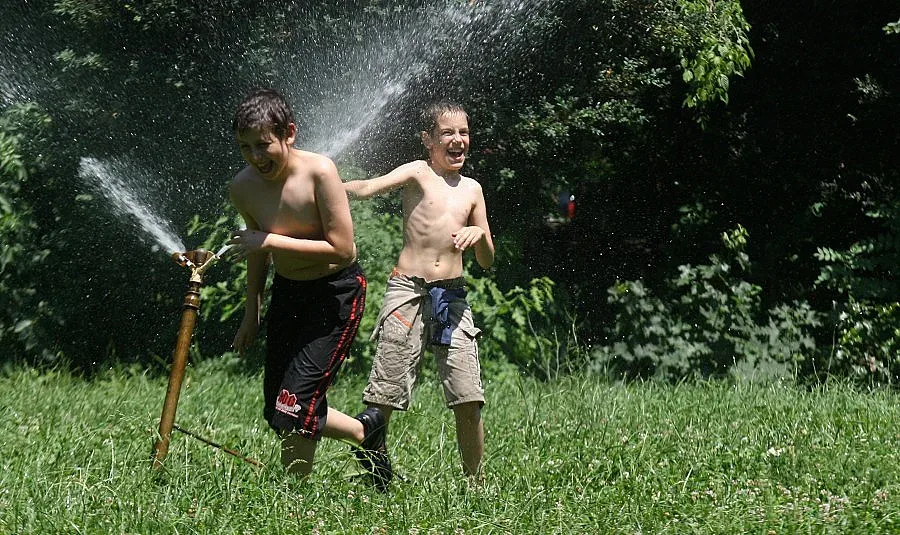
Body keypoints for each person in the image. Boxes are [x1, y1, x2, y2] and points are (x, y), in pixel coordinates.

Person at [226, 88, 389, 487]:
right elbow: (256, 253)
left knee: (293, 405)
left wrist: (269, 240)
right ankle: (363, 432)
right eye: (245, 148)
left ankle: (295, 501)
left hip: (335, 294)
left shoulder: (320, 171)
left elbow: (342, 246)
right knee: (277, 410)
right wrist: (252, 312)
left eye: (264, 145)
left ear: (290, 134)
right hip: (288, 292)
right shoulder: (243, 188)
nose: (256, 157)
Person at [344, 100, 495, 484]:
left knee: (468, 395)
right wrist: (329, 185)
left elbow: (487, 260)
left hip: (452, 298)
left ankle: (474, 484)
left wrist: (479, 235)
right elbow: (367, 188)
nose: (458, 140)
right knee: (386, 388)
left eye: (463, 132)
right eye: (448, 133)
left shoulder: (473, 190)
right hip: (407, 291)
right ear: (428, 139)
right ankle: (374, 472)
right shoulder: (418, 172)